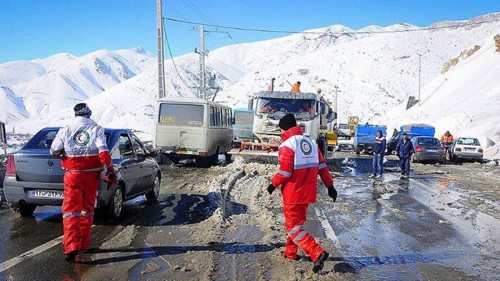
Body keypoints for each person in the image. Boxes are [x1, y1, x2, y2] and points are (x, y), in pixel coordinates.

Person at [267, 113, 337, 273]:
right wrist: (330, 186)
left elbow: (285, 171)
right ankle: (290, 253)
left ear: (284, 129)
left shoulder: (287, 145)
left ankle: (316, 252)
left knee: (293, 228)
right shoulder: (311, 142)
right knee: (297, 224)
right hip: (308, 193)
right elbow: (322, 167)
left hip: (293, 193)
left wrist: (272, 184)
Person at [50, 103, 116, 262]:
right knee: (87, 210)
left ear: (75, 114)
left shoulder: (65, 129)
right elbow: (104, 153)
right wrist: (110, 169)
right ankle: (83, 244)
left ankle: (71, 246)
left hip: (72, 176)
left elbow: (54, 150)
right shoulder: (96, 129)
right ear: (88, 114)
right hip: (92, 176)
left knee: (71, 211)